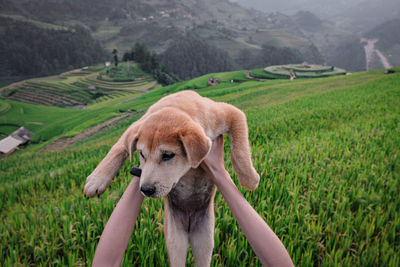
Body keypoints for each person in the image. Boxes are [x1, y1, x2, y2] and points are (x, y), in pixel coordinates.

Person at [92, 136, 294, 267]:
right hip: (190, 206)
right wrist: (218, 172)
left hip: (188, 208)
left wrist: (145, 164)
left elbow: (106, 263)